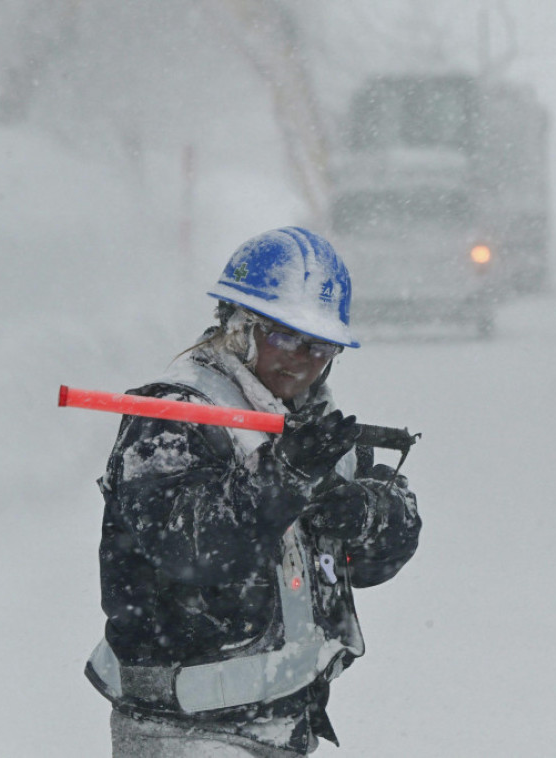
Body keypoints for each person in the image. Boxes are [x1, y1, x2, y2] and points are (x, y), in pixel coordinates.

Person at [85, 227, 422, 756]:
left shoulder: (312, 428)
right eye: (283, 336)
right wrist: (281, 478)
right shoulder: (171, 420)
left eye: (319, 345)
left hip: (281, 727)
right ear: (239, 327)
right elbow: (192, 550)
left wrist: (362, 512)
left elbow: (382, 552)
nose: (302, 358)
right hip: (180, 730)